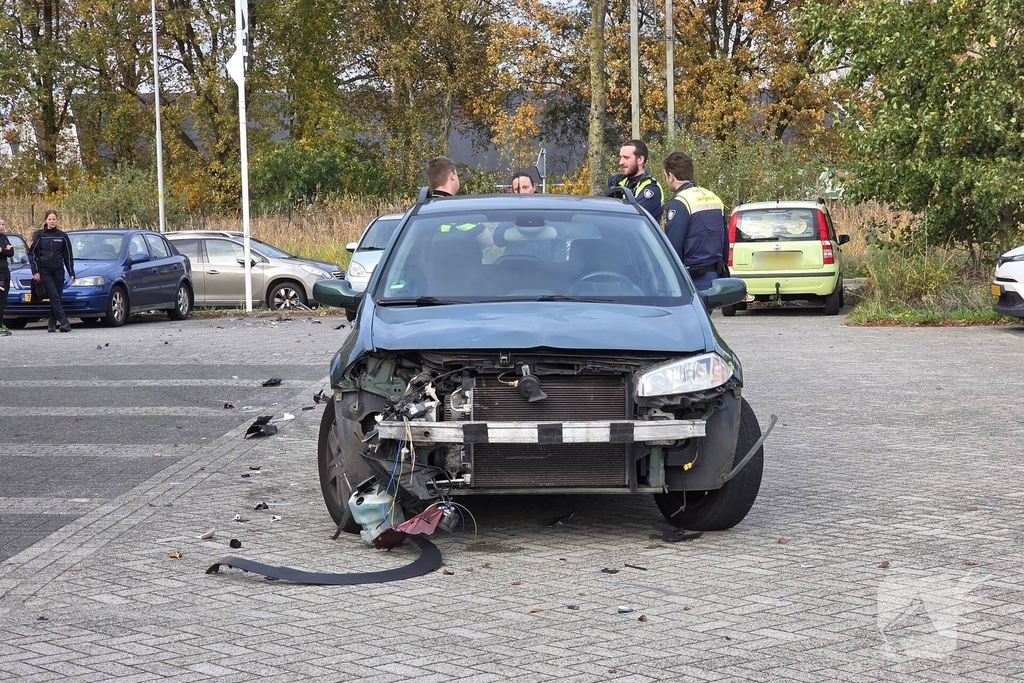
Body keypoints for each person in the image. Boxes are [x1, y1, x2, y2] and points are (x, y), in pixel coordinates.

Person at [662, 151, 727, 291]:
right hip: (716, 275)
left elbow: (674, 246)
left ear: (671, 176)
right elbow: (725, 243)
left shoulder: (680, 203)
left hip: (693, 279)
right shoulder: (714, 198)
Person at [28, 209, 76, 333]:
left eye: (54, 219)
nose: (52, 221)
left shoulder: (62, 236)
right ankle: (65, 322)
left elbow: (68, 256)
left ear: (57, 220)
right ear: (45, 220)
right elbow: (31, 254)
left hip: (58, 271)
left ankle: (51, 323)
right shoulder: (39, 235)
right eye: (49, 219)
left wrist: (71, 273)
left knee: (57, 297)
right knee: (53, 295)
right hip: (44, 271)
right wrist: (35, 271)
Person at [608, 139, 664, 221]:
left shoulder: (651, 188)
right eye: (621, 157)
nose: (621, 162)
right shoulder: (617, 182)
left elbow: (632, 219)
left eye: (626, 158)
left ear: (640, 160)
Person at [0, 216, 15, 336]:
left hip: (5, 271)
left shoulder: (4, 237)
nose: (1, 226)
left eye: (3, 224)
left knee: (4, 299)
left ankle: (1, 323)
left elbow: (11, 252)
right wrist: (5, 250)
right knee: (1, 298)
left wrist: (2, 250)